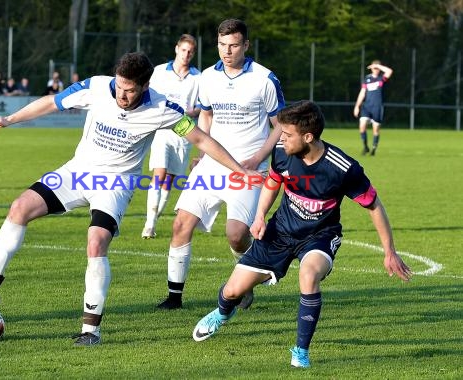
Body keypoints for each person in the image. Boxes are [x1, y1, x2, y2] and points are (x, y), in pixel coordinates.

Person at [0, 52, 261, 347]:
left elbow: (201, 139)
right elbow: (52, 102)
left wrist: (239, 170)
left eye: (130, 90)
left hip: (114, 184)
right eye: (119, 86)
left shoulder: (163, 108)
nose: (122, 94)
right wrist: (10, 119)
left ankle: (90, 330)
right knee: (20, 207)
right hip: (76, 173)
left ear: (144, 86)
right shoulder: (95, 86)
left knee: (96, 241)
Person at [191, 100, 412, 368]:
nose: (280, 138)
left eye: (286, 134)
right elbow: (274, 181)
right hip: (280, 232)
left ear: (308, 137)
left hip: (319, 236)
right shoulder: (283, 152)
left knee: (308, 275)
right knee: (232, 291)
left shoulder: (342, 168)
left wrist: (389, 251)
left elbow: (374, 205)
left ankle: (300, 351)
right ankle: (222, 314)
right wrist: (260, 215)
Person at [156, 19, 285, 310]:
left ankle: (248, 275)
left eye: (234, 45)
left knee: (237, 236)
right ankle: (174, 298)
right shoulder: (207, 79)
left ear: (246, 45)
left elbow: (280, 125)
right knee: (180, 224)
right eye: (222, 45)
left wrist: (257, 157)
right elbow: (207, 116)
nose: (227, 51)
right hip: (211, 167)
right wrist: (202, 153)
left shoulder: (265, 79)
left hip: (249, 169)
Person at [141, 34, 201, 239]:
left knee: (170, 180)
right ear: (177, 49)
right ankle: (149, 225)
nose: (186, 54)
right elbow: (148, 94)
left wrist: (192, 111)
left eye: (190, 52)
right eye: (183, 50)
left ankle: (154, 219)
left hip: (183, 134)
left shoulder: (197, 77)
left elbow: (202, 106)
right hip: (162, 130)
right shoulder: (159, 72)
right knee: (159, 174)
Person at [353, 60, 393, 156]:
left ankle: (374, 148)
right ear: (371, 68)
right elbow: (362, 93)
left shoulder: (381, 79)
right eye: (374, 68)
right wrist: (357, 106)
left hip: (377, 107)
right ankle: (366, 146)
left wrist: (378, 66)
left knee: (376, 130)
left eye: (377, 68)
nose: (376, 70)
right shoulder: (367, 79)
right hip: (366, 107)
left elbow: (389, 71)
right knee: (362, 127)